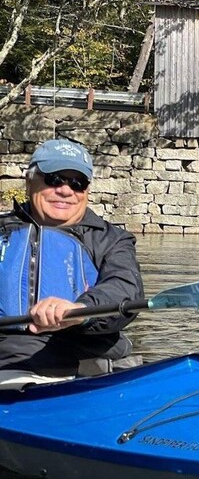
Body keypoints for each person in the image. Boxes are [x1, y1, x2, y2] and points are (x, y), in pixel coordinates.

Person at [0, 139, 144, 377]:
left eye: (78, 183)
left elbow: (123, 288)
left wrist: (80, 310)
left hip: (80, 361)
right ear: (29, 182)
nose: (66, 191)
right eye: (53, 179)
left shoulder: (112, 240)